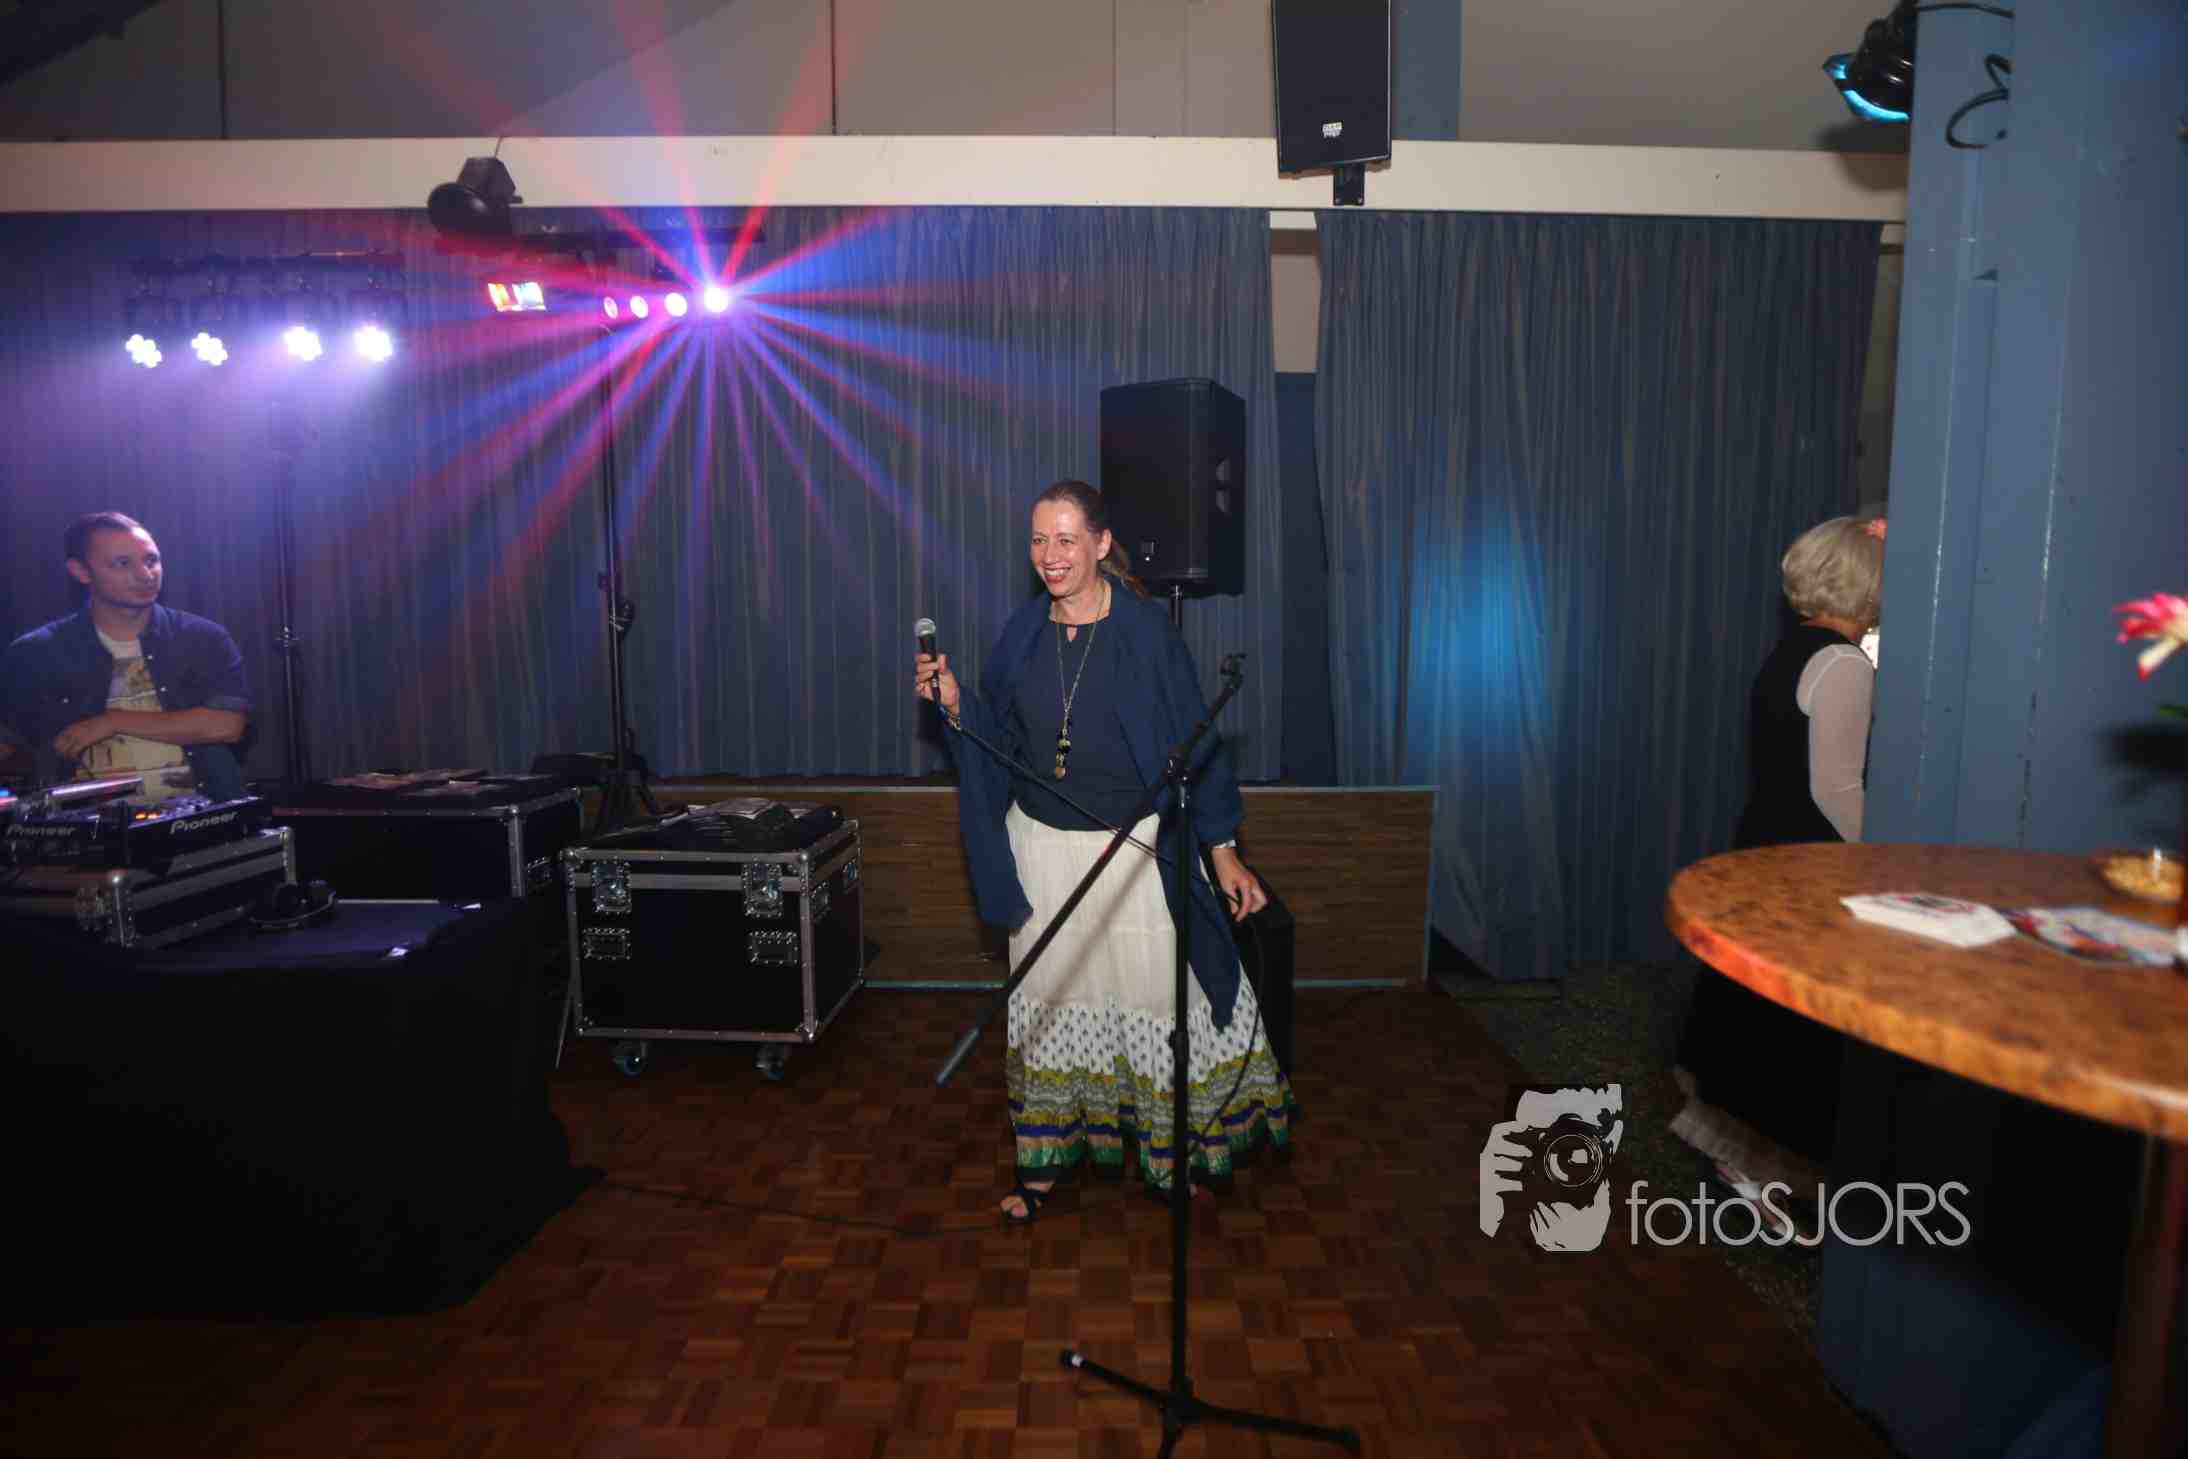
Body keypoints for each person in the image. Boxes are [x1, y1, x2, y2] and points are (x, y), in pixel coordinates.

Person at [914, 479, 1293, 1222]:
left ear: (1100, 543)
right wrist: (956, 702)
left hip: (1133, 857)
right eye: (1038, 540)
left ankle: (1170, 1157)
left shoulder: (1146, 634)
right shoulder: (1023, 633)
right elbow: (1003, 743)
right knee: (1052, 1012)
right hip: (1043, 854)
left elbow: (1197, 744)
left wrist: (1222, 848)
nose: (1050, 554)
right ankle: (1043, 1163)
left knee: (1153, 1007)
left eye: (1065, 539)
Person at [1671, 514, 1886, 1211]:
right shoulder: (1845, 664)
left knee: (1762, 1013)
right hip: (1812, 862)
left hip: (1769, 844)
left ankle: (1743, 1160)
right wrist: (1888, 861)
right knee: (1798, 1025)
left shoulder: (1790, 649)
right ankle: (1771, 1179)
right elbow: (1837, 789)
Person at [0, 513, 251, 804]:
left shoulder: (202, 638)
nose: (145, 574)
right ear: (81, 571)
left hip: (201, 815)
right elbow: (9, 741)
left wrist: (113, 721)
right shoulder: (36, 652)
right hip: (85, 822)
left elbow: (228, 726)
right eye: (122, 563)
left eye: (151, 560)